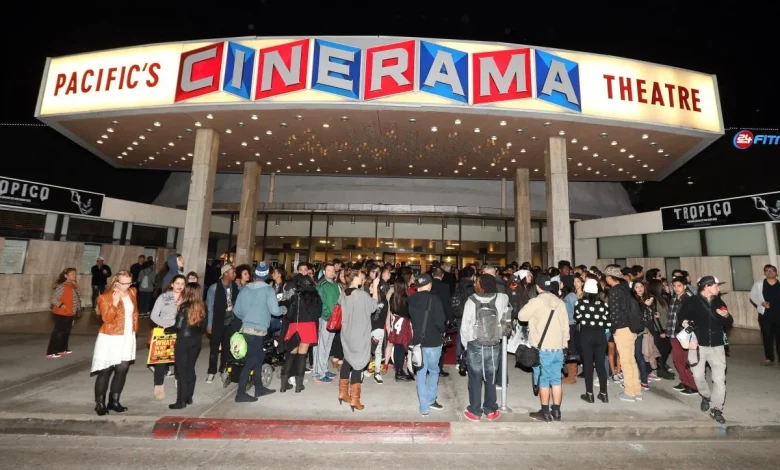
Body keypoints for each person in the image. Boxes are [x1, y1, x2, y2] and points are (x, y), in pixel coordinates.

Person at [678, 276, 733, 424]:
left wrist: (726, 316)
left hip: (717, 345)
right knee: (698, 377)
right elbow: (681, 317)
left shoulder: (718, 301)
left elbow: (729, 321)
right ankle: (706, 396)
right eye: (716, 286)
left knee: (719, 379)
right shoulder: (691, 302)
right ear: (707, 287)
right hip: (696, 345)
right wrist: (685, 322)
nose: (719, 289)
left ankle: (716, 408)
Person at [519, 274, 569, 422]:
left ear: (538, 286)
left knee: (544, 380)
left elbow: (521, 316)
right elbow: (566, 327)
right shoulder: (560, 302)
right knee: (556, 380)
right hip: (558, 348)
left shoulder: (536, 301)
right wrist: (565, 344)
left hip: (543, 348)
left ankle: (545, 411)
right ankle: (557, 411)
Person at [460, 274, 511, 422]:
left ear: (481, 285)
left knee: (475, 376)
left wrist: (465, 345)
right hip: (494, 342)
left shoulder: (471, 301)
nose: (474, 284)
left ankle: (475, 411)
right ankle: (491, 410)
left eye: (477, 282)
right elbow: (506, 301)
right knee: (491, 375)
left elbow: (465, 326)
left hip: (475, 342)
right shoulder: (501, 298)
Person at [232, 263, 284, 402]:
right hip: (258, 330)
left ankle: (259, 388)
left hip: (246, 329)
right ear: (267, 276)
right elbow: (274, 311)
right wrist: (284, 309)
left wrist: (248, 318)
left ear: (254, 275)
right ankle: (240, 393)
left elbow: (236, 311)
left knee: (259, 356)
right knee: (250, 361)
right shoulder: (268, 290)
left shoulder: (245, 289)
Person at [92, 271, 138, 416]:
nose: (127, 286)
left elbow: (135, 313)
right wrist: (115, 302)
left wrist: (134, 330)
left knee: (122, 368)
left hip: (127, 336)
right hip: (110, 337)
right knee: (106, 370)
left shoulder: (132, 292)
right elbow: (107, 319)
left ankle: (114, 401)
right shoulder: (104, 298)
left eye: (129, 282)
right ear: (116, 282)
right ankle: (100, 404)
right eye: (124, 283)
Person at [337, 268, 378, 412]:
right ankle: (355, 400)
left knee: (348, 360)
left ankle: (342, 393)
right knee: (358, 364)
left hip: (346, 333)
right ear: (354, 277)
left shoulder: (344, 293)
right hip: (359, 334)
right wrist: (376, 289)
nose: (363, 278)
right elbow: (374, 307)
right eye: (361, 276)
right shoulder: (360, 294)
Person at [408, 273, 447, 417]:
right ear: (430, 284)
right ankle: (431, 399)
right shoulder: (434, 299)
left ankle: (423, 407)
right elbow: (440, 321)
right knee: (434, 370)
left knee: (421, 372)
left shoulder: (411, 299)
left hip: (418, 341)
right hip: (434, 340)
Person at [603, 265, 643, 402]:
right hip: (631, 328)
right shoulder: (626, 289)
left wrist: (613, 329)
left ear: (609, 277)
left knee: (626, 362)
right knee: (631, 361)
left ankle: (629, 392)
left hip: (622, 329)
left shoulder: (614, 291)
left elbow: (614, 314)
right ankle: (636, 390)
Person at [279, 274, 322, 393]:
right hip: (308, 327)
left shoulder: (295, 297)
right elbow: (318, 314)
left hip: (295, 327)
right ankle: (299, 386)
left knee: (290, 355)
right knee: (302, 357)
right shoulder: (316, 298)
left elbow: (290, 314)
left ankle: (283, 385)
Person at [166, 282, 206, 409]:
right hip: (196, 340)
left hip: (184, 340)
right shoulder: (203, 306)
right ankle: (189, 397)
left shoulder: (184, 307)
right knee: (190, 368)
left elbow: (178, 326)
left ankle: (180, 401)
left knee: (181, 371)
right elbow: (204, 326)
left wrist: (168, 329)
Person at [150, 274, 185, 400]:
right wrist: (164, 324)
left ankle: (178, 380)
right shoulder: (164, 297)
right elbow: (154, 315)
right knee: (161, 360)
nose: (180, 286)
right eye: (177, 283)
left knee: (179, 359)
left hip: (180, 332)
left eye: (182, 283)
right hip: (165, 331)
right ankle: (158, 386)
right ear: (172, 284)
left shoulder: (186, 298)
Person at [575, 278, 610, 403]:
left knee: (588, 365)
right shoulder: (603, 304)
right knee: (600, 365)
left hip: (586, 335)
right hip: (600, 335)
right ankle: (604, 393)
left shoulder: (579, 303)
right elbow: (608, 321)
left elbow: (577, 317)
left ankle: (589, 393)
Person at [205, 264, 239, 383]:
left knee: (227, 348)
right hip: (217, 322)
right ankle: (211, 371)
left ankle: (223, 369)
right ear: (225, 274)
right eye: (233, 272)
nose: (235, 274)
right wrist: (209, 325)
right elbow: (210, 307)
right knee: (214, 348)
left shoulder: (234, 287)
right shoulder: (214, 288)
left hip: (230, 321)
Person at [47, 267, 82, 358]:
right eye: (71, 274)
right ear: (66, 276)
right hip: (61, 313)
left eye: (75, 274)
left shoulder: (74, 285)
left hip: (70, 313)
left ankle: (62, 349)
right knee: (58, 332)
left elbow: (76, 298)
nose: (74, 275)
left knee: (66, 332)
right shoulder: (62, 286)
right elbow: (53, 299)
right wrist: (63, 306)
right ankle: (52, 351)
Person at [750, 264, 780, 365]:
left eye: (772, 270)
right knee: (767, 337)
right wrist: (761, 303)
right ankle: (769, 358)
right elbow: (752, 296)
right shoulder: (759, 284)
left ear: (776, 273)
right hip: (765, 316)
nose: (769, 272)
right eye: (767, 270)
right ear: (764, 273)